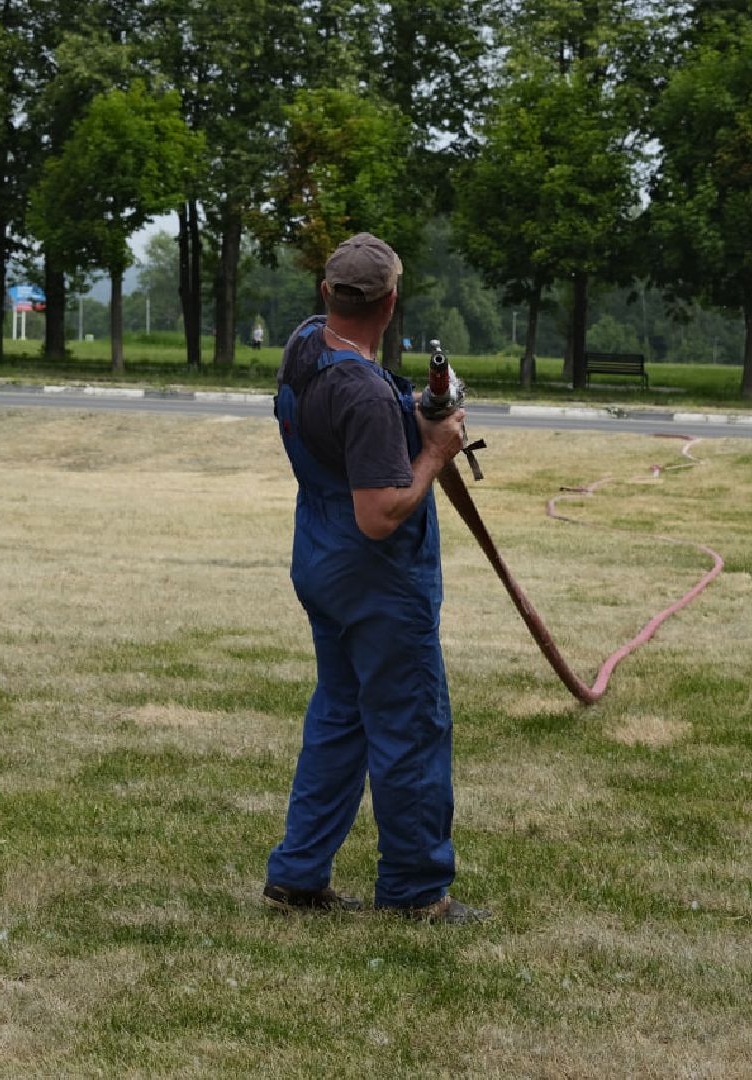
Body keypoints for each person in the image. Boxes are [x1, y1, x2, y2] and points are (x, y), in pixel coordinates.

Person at [263, 233, 490, 924]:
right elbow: (381, 512)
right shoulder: (360, 392)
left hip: (320, 556)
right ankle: (418, 892)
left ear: (327, 295)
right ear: (391, 302)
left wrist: (415, 408)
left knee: (340, 715)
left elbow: (352, 417)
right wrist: (435, 447)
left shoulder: (308, 343)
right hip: (375, 575)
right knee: (410, 724)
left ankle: (299, 874)